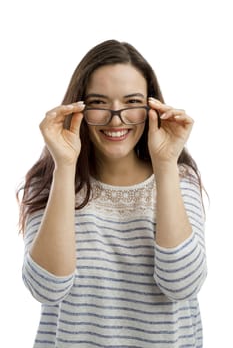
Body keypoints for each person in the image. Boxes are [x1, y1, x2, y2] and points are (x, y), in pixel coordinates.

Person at [17, 39, 207, 348]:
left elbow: (182, 284)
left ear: (151, 108)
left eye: (132, 102)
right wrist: (65, 165)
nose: (115, 117)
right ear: (78, 108)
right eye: (98, 103)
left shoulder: (179, 179)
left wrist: (165, 163)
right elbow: (46, 289)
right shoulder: (50, 184)